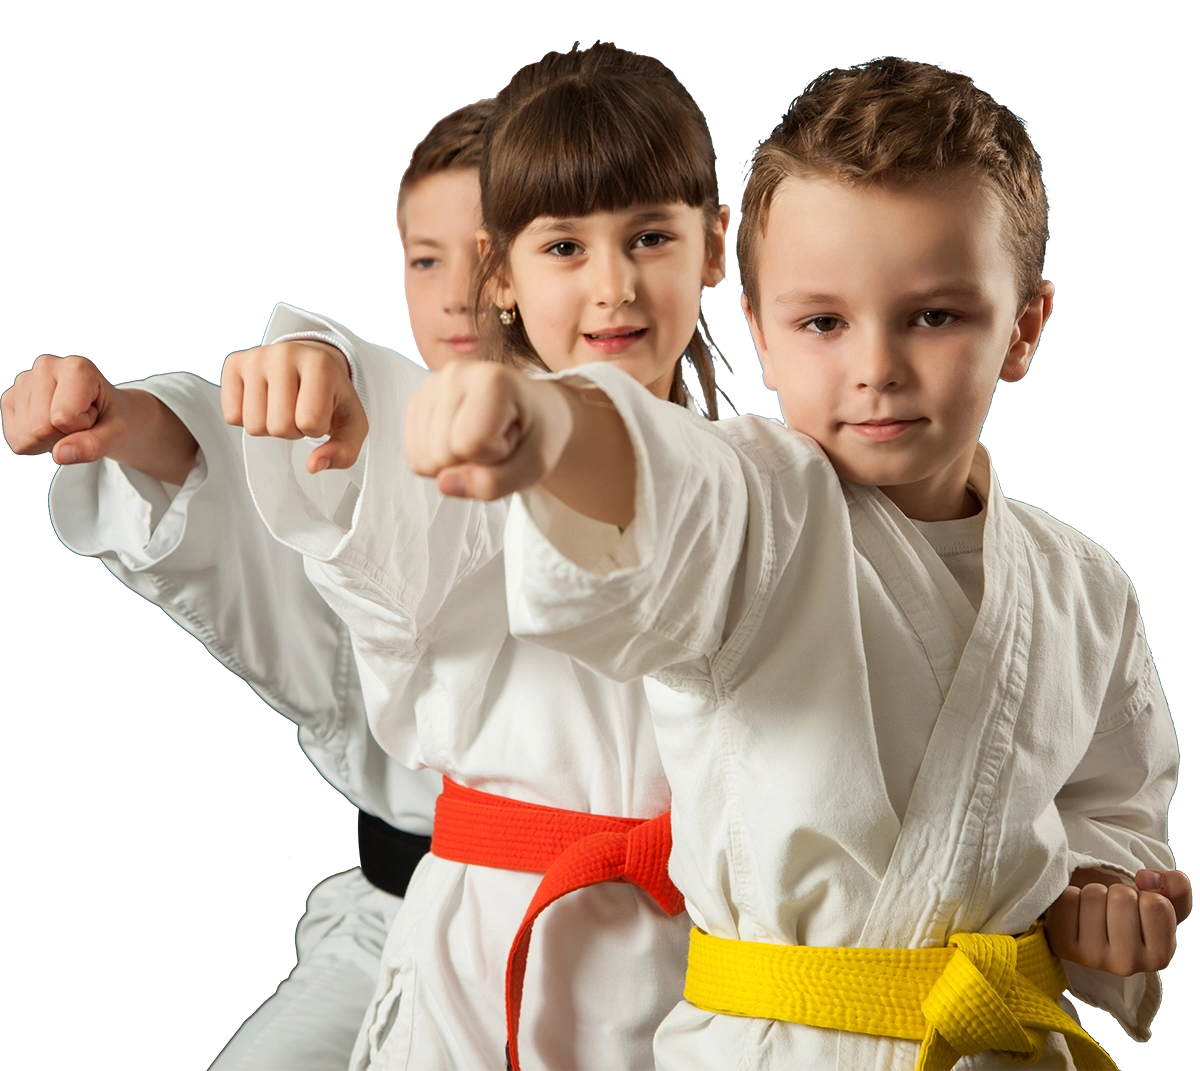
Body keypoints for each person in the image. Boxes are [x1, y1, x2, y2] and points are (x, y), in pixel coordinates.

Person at [404, 60, 1188, 1070]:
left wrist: (1101, 897)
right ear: (760, 336)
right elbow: (661, 481)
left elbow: (1111, 805)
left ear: (1024, 328)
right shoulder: (761, 508)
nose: (876, 366)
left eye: (935, 316)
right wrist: (548, 419)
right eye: (823, 322)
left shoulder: (1085, 589)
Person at [220, 43, 728, 1071]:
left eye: (650, 237)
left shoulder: (771, 476)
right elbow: (392, 472)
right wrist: (328, 374)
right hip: (486, 959)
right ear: (500, 273)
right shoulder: (465, 453)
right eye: (564, 249)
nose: (613, 286)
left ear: (715, 248)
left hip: (706, 970)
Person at [0, 101, 493, 1071]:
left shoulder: (720, 471)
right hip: (394, 915)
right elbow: (235, 468)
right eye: (430, 262)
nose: (466, 299)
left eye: (502, 254)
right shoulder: (365, 427)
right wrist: (130, 421)